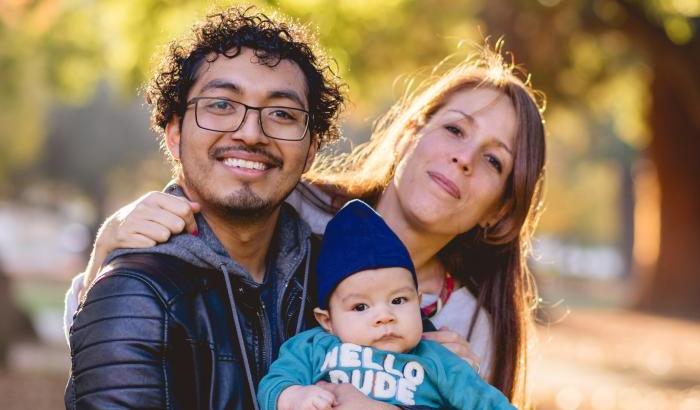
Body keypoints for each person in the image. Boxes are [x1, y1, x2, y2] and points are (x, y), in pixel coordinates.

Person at [65, 39, 547, 408]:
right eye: (455, 129)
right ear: (409, 135)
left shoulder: (470, 322)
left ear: (500, 210)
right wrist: (107, 248)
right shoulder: (296, 205)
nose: (463, 158)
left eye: (493, 161)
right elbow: (131, 330)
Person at [64, 6, 359, 410]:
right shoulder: (135, 295)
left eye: (282, 114)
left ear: (310, 152)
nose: (251, 133)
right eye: (221, 105)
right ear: (174, 134)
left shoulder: (345, 276)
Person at [258, 199, 515, 410]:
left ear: (417, 300)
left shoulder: (436, 358)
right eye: (360, 307)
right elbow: (275, 383)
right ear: (327, 320)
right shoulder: (314, 348)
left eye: (398, 300)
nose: (385, 315)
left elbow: (484, 400)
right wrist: (295, 397)